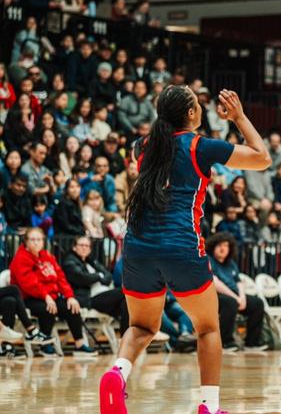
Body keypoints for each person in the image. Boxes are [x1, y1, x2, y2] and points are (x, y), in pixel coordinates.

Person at [97, 86, 270, 414]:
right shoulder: (200, 146)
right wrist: (239, 117)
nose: (202, 108)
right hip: (180, 246)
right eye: (197, 103)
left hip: (137, 247)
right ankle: (210, 407)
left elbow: (154, 153)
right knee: (208, 327)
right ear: (191, 113)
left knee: (142, 327)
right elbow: (262, 158)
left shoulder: (142, 146)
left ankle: (117, 372)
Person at [10, 228, 97, 356]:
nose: (36, 242)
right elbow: (29, 283)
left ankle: (79, 345)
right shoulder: (21, 258)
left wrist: (70, 296)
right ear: (26, 241)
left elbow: (60, 278)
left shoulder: (47, 256)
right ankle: (45, 345)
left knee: (72, 307)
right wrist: (46, 296)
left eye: (39, 239)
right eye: (33, 239)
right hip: (28, 298)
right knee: (48, 308)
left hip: (50, 296)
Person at [207, 233, 267, 353]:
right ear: (213, 247)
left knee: (257, 303)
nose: (223, 248)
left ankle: (252, 343)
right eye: (219, 245)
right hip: (214, 296)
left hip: (234, 296)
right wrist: (236, 297)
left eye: (226, 246)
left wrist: (242, 298)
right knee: (230, 303)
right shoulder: (208, 260)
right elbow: (215, 282)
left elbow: (239, 282)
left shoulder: (231, 263)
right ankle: (225, 342)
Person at [62, 235, 130, 334]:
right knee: (125, 291)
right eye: (81, 245)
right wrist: (99, 276)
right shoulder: (69, 262)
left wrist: (98, 277)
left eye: (87, 246)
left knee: (126, 302)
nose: (84, 248)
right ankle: (128, 336)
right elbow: (83, 278)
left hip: (104, 295)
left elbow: (108, 276)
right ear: (74, 247)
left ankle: (125, 337)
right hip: (89, 299)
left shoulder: (91, 261)